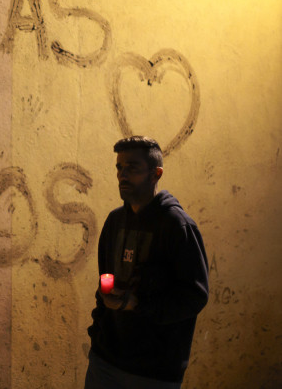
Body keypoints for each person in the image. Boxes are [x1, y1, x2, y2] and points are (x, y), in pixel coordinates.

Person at [85, 136, 209, 388]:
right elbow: (104, 284)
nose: (122, 175)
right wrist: (98, 333)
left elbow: (194, 295)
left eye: (133, 168)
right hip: (105, 361)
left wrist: (138, 304)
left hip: (153, 371)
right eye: (119, 168)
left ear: (156, 173)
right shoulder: (115, 221)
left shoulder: (177, 225)